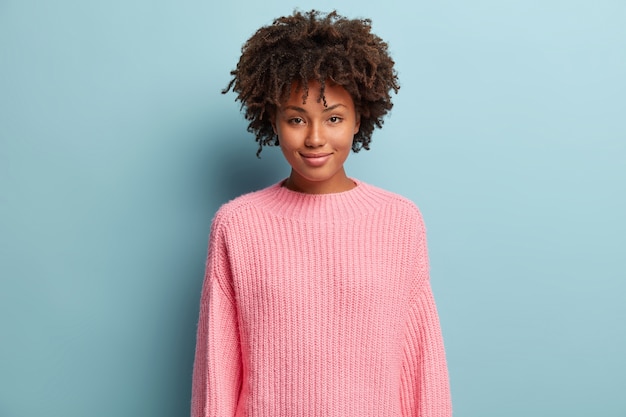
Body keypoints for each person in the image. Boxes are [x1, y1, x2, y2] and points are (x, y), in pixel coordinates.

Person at [191, 9, 452, 417]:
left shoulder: (400, 220)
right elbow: (217, 372)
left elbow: (422, 365)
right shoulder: (237, 225)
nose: (315, 138)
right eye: (297, 119)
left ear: (358, 119)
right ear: (272, 120)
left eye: (333, 118)